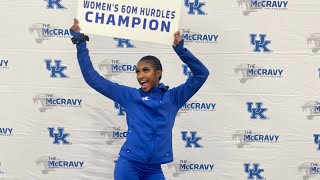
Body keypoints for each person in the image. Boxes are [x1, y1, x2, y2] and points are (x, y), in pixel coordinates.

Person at [70, 18, 209, 180]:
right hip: (129, 166)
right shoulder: (130, 96)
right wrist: (80, 42)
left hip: (154, 170)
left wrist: (181, 51)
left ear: (158, 73)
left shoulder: (174, 97)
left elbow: (201, 74)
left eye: (145, 70)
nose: (140, 75)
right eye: (137, 72)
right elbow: (92, 78)